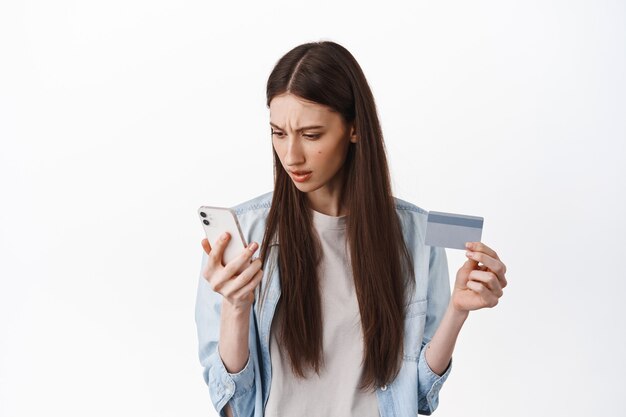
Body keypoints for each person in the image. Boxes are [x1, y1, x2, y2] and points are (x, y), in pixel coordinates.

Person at [194, 40, 508, 417]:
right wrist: (235, 307)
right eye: (278, 133)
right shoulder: (245, 235)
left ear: (355, 129)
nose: (291, 155)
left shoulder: (416, 235)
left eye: (311, 135)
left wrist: (458, 310)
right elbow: (233, 406)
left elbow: (420, 398)